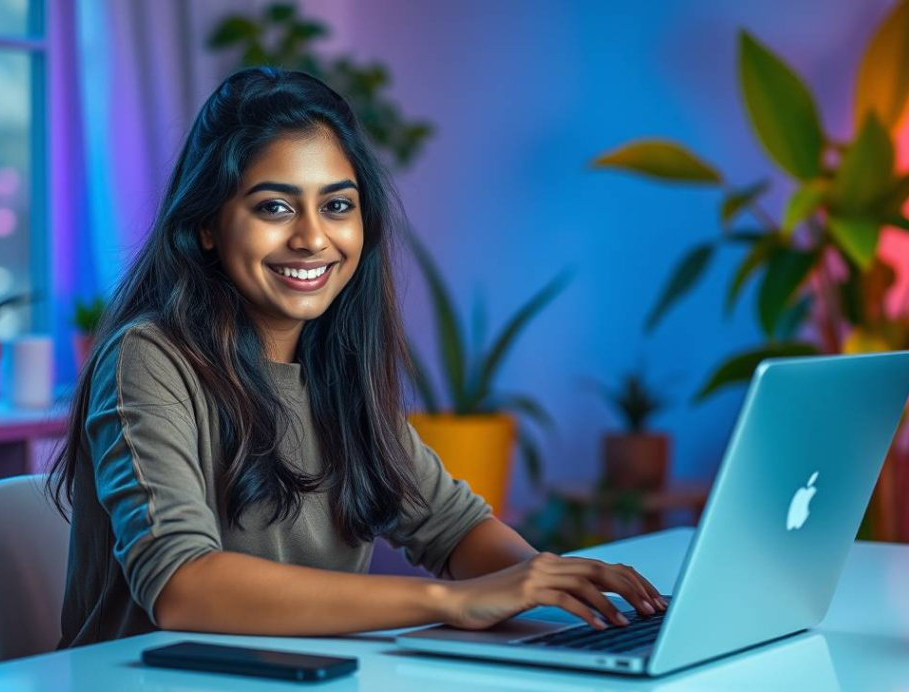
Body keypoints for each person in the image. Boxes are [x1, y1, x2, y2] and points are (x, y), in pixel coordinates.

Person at [47, 66, 666, 648]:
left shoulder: (335, 370)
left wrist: (548, 581)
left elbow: (455, 530)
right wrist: (450, 601)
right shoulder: (148, 358)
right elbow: (185, 590)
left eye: (337, 205)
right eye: (274, 207)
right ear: (208, 224)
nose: (313, 237)